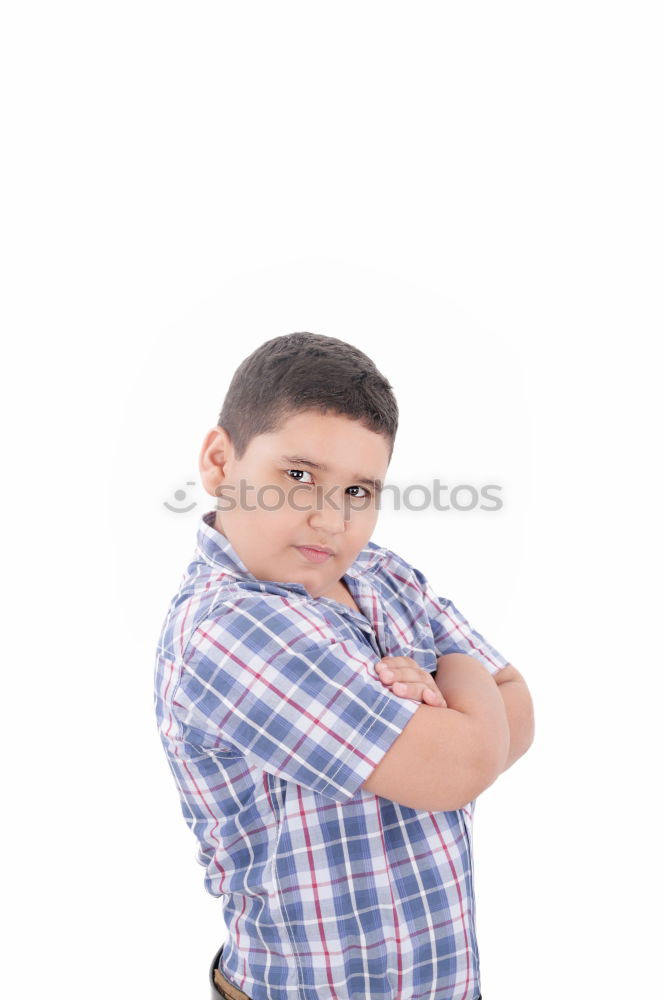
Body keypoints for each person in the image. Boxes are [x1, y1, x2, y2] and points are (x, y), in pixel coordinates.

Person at [153, 331, 535, 1000]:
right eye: (297, 476)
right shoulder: (230, 630)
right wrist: (460, 685)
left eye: (360, 492)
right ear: (220, 462)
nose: (331, 519)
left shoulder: (379, 574)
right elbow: (464, 765)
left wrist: (455, 703)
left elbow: (520, 706)